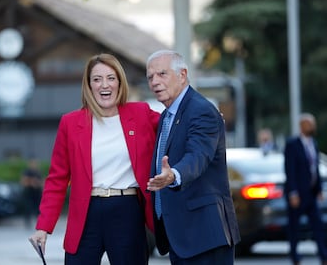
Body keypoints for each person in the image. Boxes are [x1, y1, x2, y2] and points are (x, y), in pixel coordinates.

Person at [29, 53, 159, 265]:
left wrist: (204, 116)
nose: (104, 85)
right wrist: (43, 227)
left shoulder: (141, 113)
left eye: (110, 78)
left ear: (119, 82)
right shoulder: (70, 123)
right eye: (97, 79)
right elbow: (57, 179)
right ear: (88, 85)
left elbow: (174, 129)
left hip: (127, 210)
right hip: (86, 212)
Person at [146, 50, 240, 264]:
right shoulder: (166, 116)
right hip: (181, 237)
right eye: (150, 77)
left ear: (182, 74)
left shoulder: (201, 110)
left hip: (205, 236)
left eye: (162, 74)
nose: (155, 81)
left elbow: (198, 156)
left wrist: (175, 175)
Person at [284, 113, 327, 265]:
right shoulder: (292, 144)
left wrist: (319, 189)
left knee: (318, 226)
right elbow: (290, 170)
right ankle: (295, 257)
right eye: (310, 123)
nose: (313, 126)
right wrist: (293, 192)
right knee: (294, 227)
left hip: (311, 193)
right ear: (302, 126)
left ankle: (323, 256)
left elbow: (314, 168)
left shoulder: (313, 143)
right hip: (297, 194)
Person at [20, 158, 43, 228]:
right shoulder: (27, 172)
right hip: (28, 193)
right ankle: (27, 222)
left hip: (37, 193)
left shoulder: (38, 172)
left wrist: (37, 183)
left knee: (38, 209)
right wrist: (32, 182)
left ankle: (39, 222)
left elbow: (41, 182)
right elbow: (23, 181)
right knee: (28, 208)